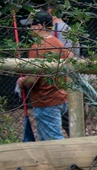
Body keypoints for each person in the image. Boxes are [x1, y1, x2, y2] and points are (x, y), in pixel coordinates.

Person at [18, 10, 72, 141]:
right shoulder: (58, 43)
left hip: (46, 101)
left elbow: (33, 80)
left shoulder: (37, 47)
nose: (29, 29)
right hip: (61, 98)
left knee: (54, 141)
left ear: (40, 26)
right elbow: (70, 58)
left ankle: (65, 161)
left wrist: (22, 82)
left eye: (31, 25)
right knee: (45, 141)